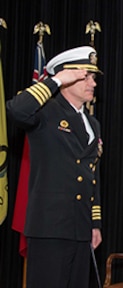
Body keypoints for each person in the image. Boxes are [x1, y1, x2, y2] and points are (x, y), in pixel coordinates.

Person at [7, 46, 104, 288]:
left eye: (94, 77)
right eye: (86, 76)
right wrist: (56, 81)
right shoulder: (45, 112)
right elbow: (15, 110)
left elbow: (92, 175)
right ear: (67, 76)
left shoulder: (93, 123)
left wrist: (94, 223)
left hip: (80, 228)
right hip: (49, 227)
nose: (93, 83)